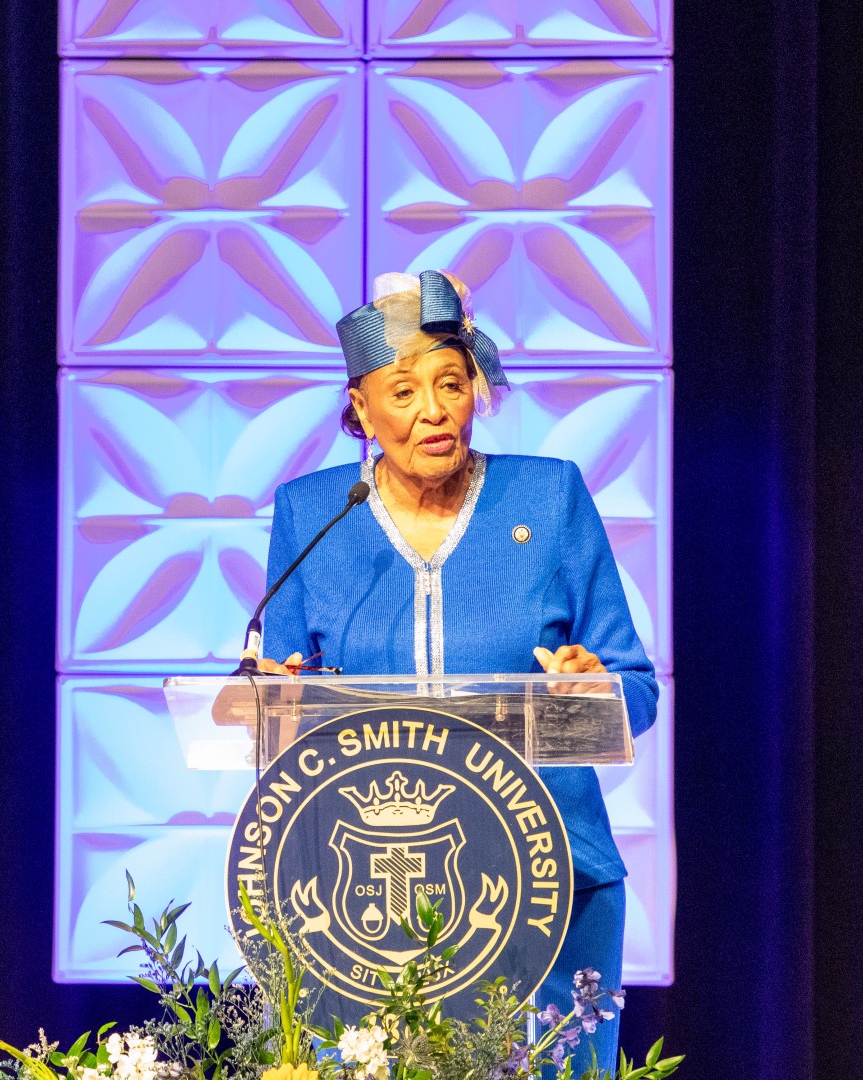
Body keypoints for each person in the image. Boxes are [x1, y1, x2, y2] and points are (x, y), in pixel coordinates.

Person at [258, 269, 659, 1070]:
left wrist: (591, 688)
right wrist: (273, 700)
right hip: (372, 895)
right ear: (360, 412)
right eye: (402, 392)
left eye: (452, 382)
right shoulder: (311, 514)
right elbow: (279, 711)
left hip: (554, 884)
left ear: (477, 386)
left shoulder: (548, 500)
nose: (433, 410)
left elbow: (636, 692)